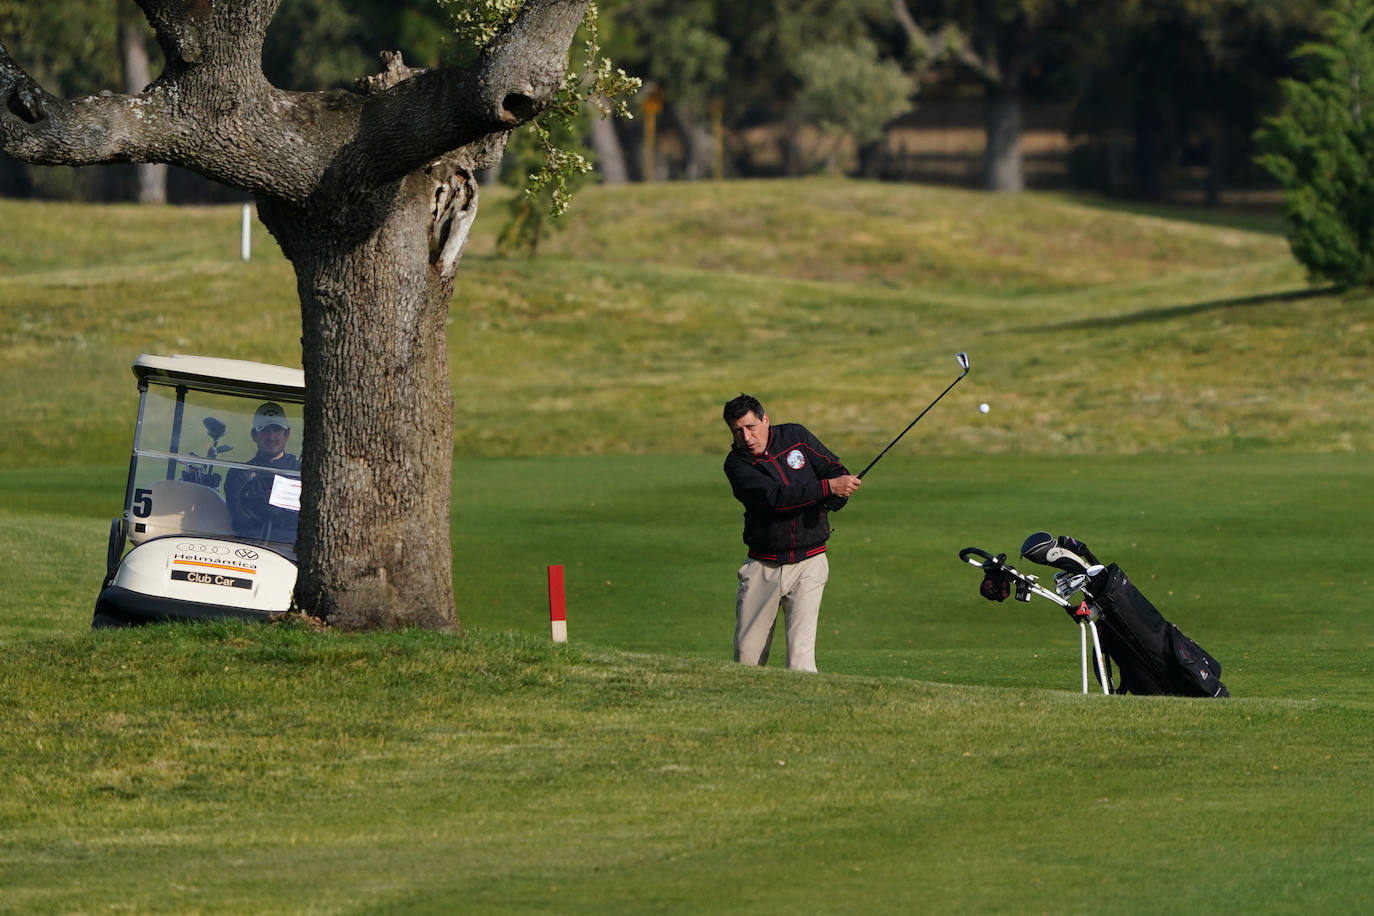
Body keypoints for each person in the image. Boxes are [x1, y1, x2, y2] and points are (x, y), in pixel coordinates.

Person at [722, 394, 862, 672]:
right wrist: (827, 489)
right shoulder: (736, 465)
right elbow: (776, 498)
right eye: (738, 431)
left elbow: (834, 470)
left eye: (751, 426)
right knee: (747, 659)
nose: (746, 437)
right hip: (764, 566)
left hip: (810, 562)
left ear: (765, 420)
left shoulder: (795, 436)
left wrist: (837, 497)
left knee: (801, 661)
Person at [225, 402, 301, 544]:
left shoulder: (301, 472)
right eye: (265, 430)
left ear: (287, 434)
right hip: (249, 545)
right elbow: (240, 517)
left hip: (290, 547)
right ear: (254, 435)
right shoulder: (239, 474)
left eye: (276, 430)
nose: (271, 437)